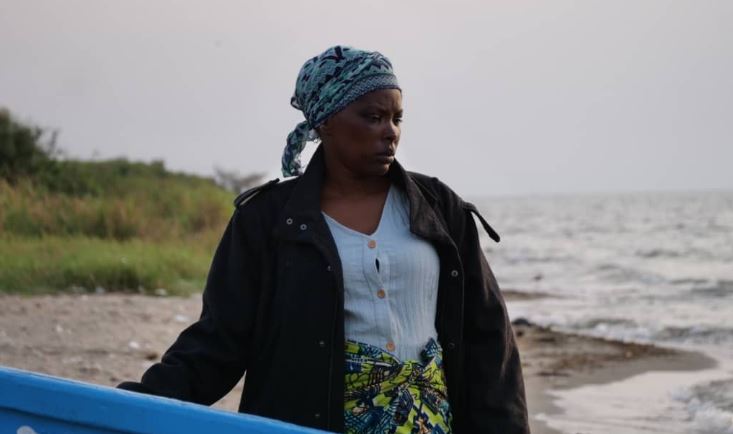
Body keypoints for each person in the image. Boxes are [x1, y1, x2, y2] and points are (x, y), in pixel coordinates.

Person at [118, 45, 529, 434]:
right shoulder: (267, 220)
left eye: (396, 118)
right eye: (372, 117)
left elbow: (488, 337)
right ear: (326, 122)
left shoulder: (438, 207)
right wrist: (129, 407)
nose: (390, 132)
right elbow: (219, 340)